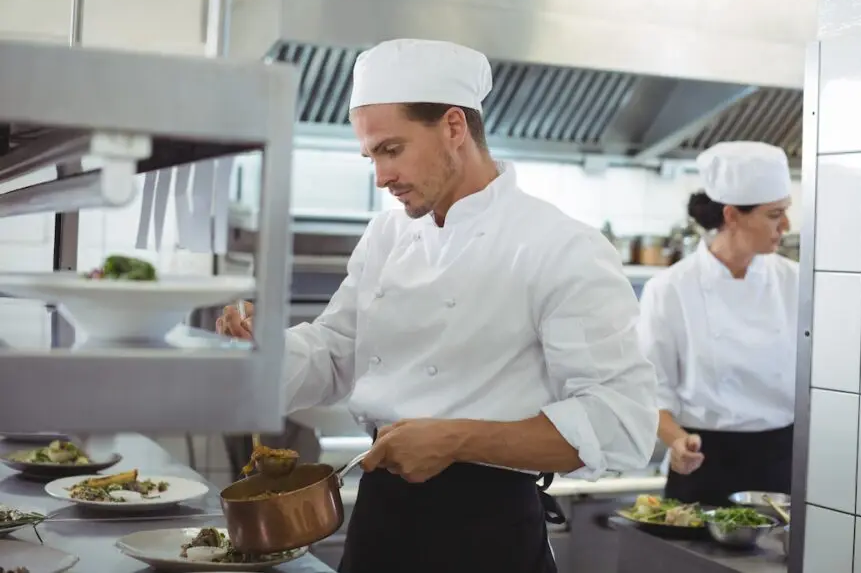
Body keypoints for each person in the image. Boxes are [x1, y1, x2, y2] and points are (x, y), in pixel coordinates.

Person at [217, 38, 658, 573]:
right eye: (371, 155)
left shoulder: (560, 245)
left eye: (391, 149)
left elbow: (621, 419)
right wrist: (258, 352)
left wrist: (458, 440)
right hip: (380, 520)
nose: (380, 177)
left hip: (487, 533)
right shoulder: (386, 235)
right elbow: (335, 353)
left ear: (454, 127)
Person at [637, 141, 797, 508]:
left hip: (781, 463)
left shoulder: (798, 284)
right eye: (775, 214)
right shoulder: (670, 289)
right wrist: (677, 441)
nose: (786, 226)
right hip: (704, 463)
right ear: (732, 215)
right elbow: (650, 389)